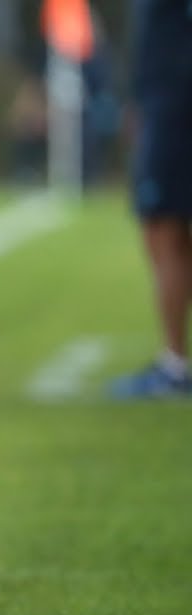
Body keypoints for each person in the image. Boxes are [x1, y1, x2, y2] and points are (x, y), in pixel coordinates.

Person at [110, 0, 192, 398]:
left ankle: (175, 364)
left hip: (177, 102)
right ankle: (174, 362)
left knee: (163, 224)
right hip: (163, 99)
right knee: (161, 226)